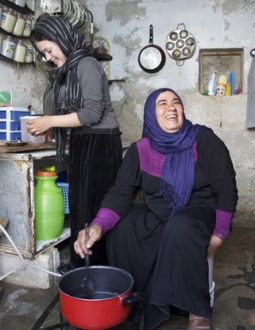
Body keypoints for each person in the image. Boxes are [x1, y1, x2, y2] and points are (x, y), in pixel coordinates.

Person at [74, 88, 238, 329]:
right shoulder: (140, 149)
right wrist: (97, 227)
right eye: (162, 103)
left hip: (198, 210)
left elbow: (226, 189)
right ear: (151, 113)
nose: (171, 107)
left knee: (180, 226)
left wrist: (220, 233)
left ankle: (197, 310)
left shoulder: (204, 140)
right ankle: (138, 298)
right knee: (124, 227)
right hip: (159, 210)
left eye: (176, 102)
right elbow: (120, 194)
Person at [28, 15, 122, 267]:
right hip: (83, 141)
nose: (47, 57)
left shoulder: (87, 65)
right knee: (81, 206)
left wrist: (50, 121)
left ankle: (100, 267)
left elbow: (92, 113)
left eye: (48, 50)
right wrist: (48, 126)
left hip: (100, 143)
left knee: (96, 207)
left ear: (62, 39)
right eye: (43, 53)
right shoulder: (66, 72)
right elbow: (71, 115)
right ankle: (84, 264)